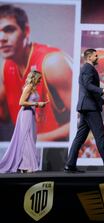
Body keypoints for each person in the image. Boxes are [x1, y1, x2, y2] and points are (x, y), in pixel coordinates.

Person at [0, 4, 72, 141]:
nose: (2, 38)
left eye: (9, 30)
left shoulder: (53, 63)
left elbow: (88, 118)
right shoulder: (6, 66)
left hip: (60, 153)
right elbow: (3, 116)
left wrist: (38, 140)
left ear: (26, 31)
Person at [64, 48, 104, 173]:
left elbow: (89, 90)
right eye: (96, 56)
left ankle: (70, 165)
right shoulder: (88, 68)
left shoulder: (86, 69)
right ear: (89, 57)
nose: (98, 58)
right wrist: (103, 90)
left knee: (80, 138)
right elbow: (88, 86)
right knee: (100, 136)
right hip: (90, 108)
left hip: (85, 107)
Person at [0, 70, 49, 173]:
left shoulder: (33, 89)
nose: (40, 80)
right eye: (39, 78)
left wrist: (40, 105)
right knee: (26, 139)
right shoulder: (28, 87)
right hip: (25, 114)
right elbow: (21, 102)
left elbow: (30, 102)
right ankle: (26, 165)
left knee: (30, 138)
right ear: (34, 78)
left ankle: (23, 165)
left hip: (30, 114)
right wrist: (37, 104)